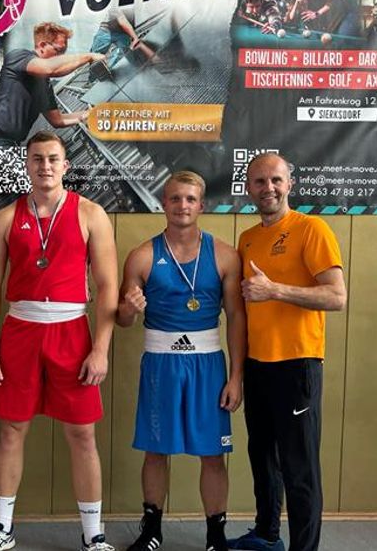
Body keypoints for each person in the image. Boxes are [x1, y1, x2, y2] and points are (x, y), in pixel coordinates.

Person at [0, 131, 118, 551]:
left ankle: (94, 535)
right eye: (37, 158)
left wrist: (101, 348)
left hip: (72, 332)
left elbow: (108, 287)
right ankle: (2, 528)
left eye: (53, 158)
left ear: (65, 165)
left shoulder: (91, 214)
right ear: (27, 163)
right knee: (11, 431)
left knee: (82, 434)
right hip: (20, 330)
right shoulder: (6, 217)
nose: (45, 166)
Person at [116, 171, 246, 551]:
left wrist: (236, 377)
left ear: (201, 205)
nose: (182, 206)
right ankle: (152, 530)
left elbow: (237, 317)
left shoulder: (224, 254)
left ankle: (215, 537)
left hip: (208, 364)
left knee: (212, 453)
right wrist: (127, 308)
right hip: (161, 365)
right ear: (163, 203)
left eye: (190, 199)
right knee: (156, 450)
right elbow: (124, 320)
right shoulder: (142, 255)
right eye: (175, 199)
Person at [228, 153, 347, 551]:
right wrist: (239, 371)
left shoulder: (311, 229)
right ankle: (266, 533)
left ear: (289, 184)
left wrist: (275, 289)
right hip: (258, 366)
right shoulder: (247, 239)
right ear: (249, 188)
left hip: (297, 365)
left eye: (276, 180)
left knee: (300, 470)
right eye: (259, 182)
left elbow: (336, 296)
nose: (269, 188)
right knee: (262, 460)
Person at [0, 23, 104, 210]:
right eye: (59, 51)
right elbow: (50, 68)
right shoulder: (19, 56)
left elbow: (58, 120)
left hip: (4, 147)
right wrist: (88, 57)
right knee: (39, 188)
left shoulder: (44, 85)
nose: (61, 58)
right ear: (42, 46)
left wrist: (87, 115)